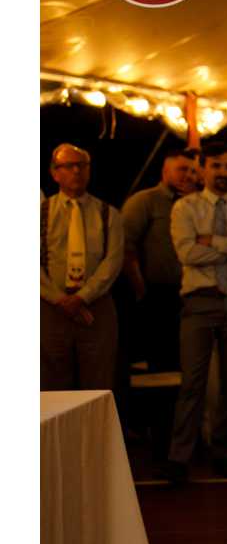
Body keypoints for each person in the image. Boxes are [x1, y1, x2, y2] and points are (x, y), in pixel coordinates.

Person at [165, 139, 227, 481]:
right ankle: (180, 457)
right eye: (217, 166)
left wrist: (215, 242)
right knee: (193, 382)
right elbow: (187, 254)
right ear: (203, 169)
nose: (223, 173)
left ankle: (224, 452)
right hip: (200, 299)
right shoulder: (186, 208)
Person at [40, 142, 125, 391]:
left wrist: (82, 297)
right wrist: (59, 299)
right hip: (50, 308)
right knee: (52, 384)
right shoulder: (38, 213)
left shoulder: (108, 213)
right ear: (55, 173)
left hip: (96, 308)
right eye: (68, 166)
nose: (76, 171)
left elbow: (113, 262)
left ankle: (97, 431)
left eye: (81, 166)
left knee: (98, 383)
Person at [120, 148, 200, 387]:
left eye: (192, 170)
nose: (187, 175)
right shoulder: (145, 201)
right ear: (166, 171)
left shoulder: (197, 204)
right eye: (181, 169)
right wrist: (140, 287)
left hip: (194, 292)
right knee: (163, 368)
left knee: (189, 363)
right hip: (159, 294)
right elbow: (125, 245)